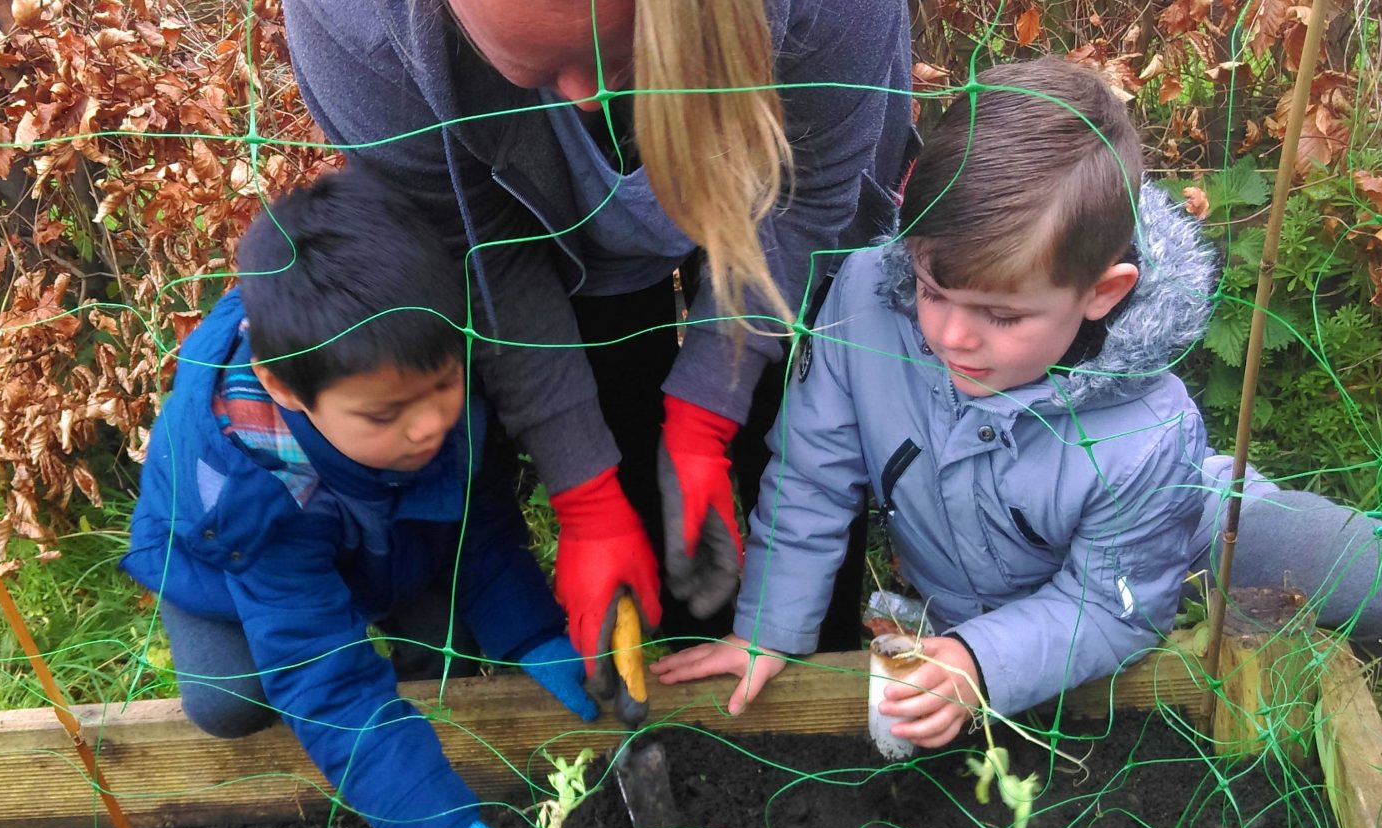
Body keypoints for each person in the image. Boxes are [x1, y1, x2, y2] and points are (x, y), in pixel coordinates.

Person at [281, 0, 917, 676]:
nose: (590, 99)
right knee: (618, 394)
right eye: (544, 66)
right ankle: (679, 644)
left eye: (616, 56)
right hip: (534, 203)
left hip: (774, 145)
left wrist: (707, 410)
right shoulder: (350, 27)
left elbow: (802, 202)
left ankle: (812, 660)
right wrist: (586, 495)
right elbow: (487, 251)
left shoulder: (832, 13)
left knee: (789, 400)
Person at [121, 171, 596, 828]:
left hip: (385, 522)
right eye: (387, 414)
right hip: (231, 563)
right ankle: (403, 782)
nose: (431, 423)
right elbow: (330, 685)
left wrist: (536, 634)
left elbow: (479, 524)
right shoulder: (241, 482)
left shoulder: (415, 363)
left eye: (445, 387)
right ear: (282, 387)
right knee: (232, 697)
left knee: (443, 651)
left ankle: (412, 711)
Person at [654, 58, 1215, 744]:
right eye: (930, 289)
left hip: (1158, 552)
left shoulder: (1150, 433)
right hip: (978, 607)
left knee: (1306, 551)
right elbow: (812, 477)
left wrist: (982, 660)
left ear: (1103, 292)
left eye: (1000, 316)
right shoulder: (862, 303)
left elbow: (1114, 606)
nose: (949, 334)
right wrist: (767, 630)